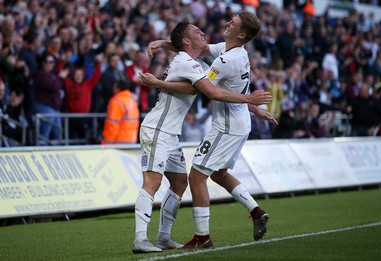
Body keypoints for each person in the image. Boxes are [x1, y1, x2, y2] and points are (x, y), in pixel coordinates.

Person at [132, 21, 273, 253]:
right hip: (157, 128)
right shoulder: (186, 62)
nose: (203, 32)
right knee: (154, 182)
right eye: (196, 32)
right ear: (187, 41)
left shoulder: (195, 61)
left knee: (180, 182)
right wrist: (250, 101)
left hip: (171, 132)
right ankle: (140, 239)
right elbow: (211, 91)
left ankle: (164, 237)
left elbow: (196, 84)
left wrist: (163, 47)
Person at [101, 80, 139, 144]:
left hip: (118, 141)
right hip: (132, 140)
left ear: (117, 89)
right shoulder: (132, 101)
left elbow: (112, 124)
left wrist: (106, 142)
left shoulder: (116, 102)